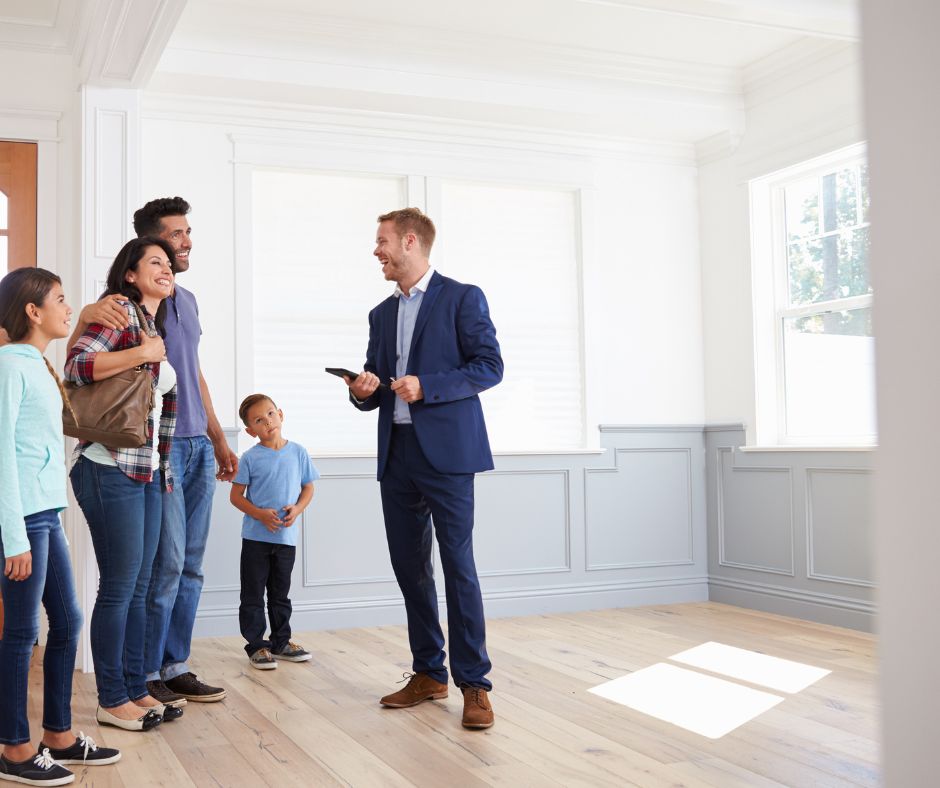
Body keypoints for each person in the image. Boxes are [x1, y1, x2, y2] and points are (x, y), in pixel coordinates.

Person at [346, 208, 503, 730]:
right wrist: (362, 390)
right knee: (410, 569)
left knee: (458, 568)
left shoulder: (463, 297)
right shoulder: (379, 314)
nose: (377, 251)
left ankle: (475, 685)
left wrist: (427, 386)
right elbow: (375, 390)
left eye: (382, 242)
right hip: (398, 455)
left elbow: (489, 366)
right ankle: (429, 673)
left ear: (410, 242)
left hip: (450, 457)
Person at [0, 268, 121, 786]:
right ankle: (13, 746)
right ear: (33, 310)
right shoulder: (9, 367)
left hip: (47, 515)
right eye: (61, 300)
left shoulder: (36, 364)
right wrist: (13, 536)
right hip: (23, 518)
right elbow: (3, 455)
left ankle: (59, 735)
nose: (69, 309)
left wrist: (50, 523)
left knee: (68, 622)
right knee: (24, 632)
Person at [65, 238, 183, 731]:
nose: (167, 268)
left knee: (139, 588)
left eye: (169, 263)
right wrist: (142, 351)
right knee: (119, 588)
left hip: (146, 471)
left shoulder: (153, 326)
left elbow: (155, 410)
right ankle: (111, 699)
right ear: (129, 275)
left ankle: (135, 690)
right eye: (154, 262)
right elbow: (76, 368)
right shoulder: (117, 314)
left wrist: (165, 469)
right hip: (107, 465)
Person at [132, 197, 237, 705]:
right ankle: (147, 670)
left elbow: (194, 372)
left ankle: (176, 665)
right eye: (177, 234)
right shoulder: (126, 302)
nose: (187, 241)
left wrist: (220, 438)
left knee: (193, 564)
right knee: (167, 563)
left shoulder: (188, 299)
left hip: (198, 443)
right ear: (152, 244)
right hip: (164, 444)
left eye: (188, 232)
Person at [230, 394, 318, 670]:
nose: (267, 422)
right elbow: (236, 497)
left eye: (270, 414)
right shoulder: (250, 458)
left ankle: (281, 642)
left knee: (281, 594)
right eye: (258, 420)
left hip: (286, 539)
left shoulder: (298, 452)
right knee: (253, 593)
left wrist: (298, 509)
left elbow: (308, 488)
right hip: (256, 539)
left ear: (280, 414)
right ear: (250, 430)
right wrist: (259, 514)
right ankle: (257, 645)